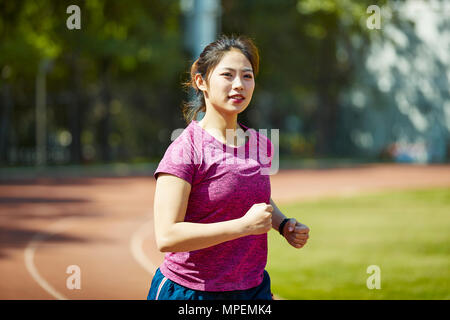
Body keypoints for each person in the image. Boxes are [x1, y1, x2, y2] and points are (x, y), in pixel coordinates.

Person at [147, 34, 310, 300]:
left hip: (253, 289)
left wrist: (283, 225)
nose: (239, 85)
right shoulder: (185, 150)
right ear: (202, 82)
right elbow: (167, 236)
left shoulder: (261, 144)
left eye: (247, 76)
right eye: (227, 75)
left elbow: (255, 196)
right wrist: (243, 226)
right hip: (192, 292)